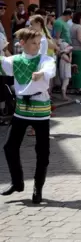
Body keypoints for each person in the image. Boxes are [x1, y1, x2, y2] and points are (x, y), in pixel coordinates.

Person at [0, 28, 56, 204]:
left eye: (39, 43)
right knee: (9, 147)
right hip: (22, 110)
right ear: (22, 44)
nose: (37, 46)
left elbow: (50, 68)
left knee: (42, 152)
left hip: (40, 111)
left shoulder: (44, 59)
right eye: (34, 43)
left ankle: (37, 188)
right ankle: (17, 182)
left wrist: (42, 74)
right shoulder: (14, 60)